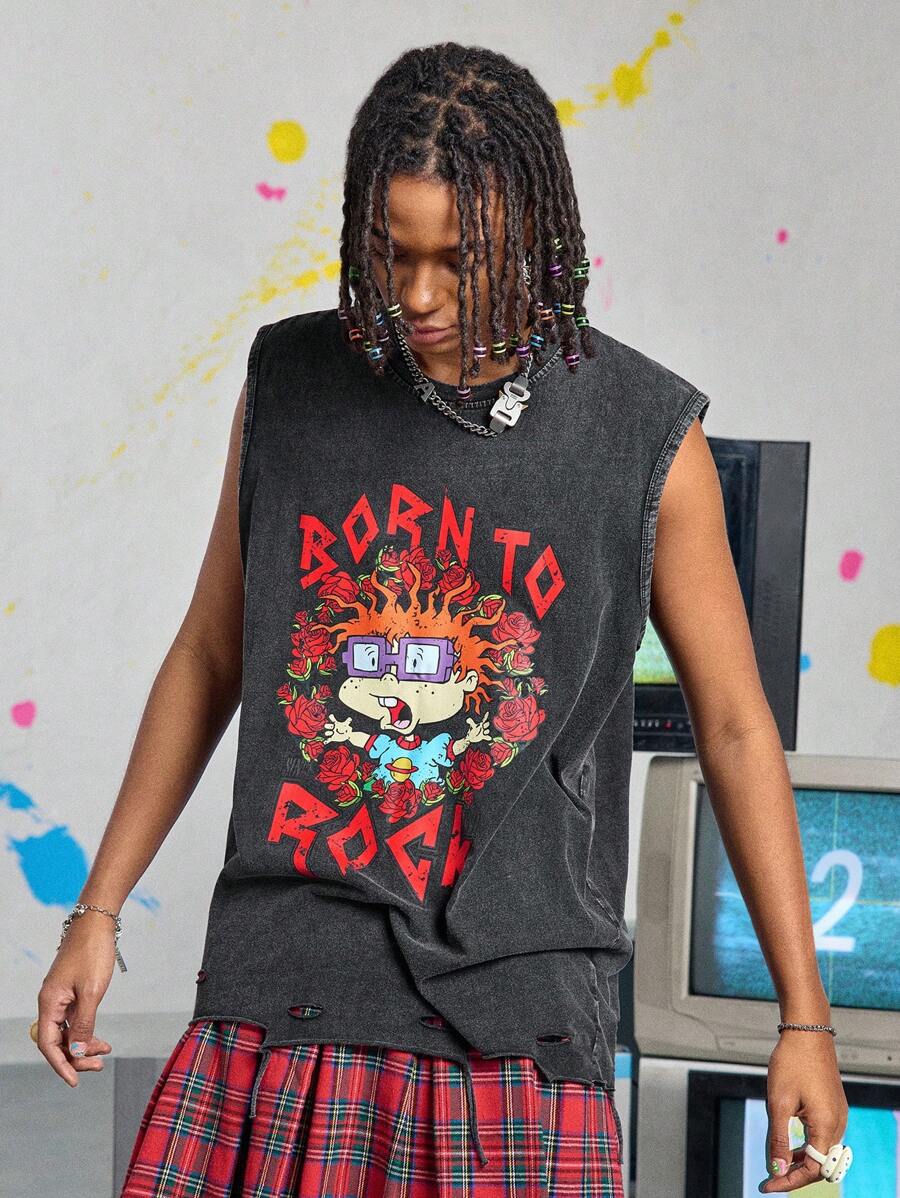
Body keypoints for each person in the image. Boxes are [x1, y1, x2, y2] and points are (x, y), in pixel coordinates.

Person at [32, 42, 849, 1197]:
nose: (417, 296)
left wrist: (804, 1018)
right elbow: (212, 653)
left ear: (537, 236)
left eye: (459, 260)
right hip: (286, 991)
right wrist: (98, 907)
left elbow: (734, 727)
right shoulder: (290, 386)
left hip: (519, 1020)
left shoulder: (646, 436)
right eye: (392, 252)